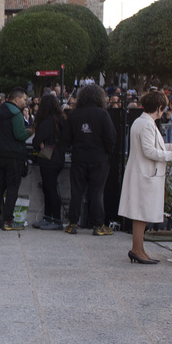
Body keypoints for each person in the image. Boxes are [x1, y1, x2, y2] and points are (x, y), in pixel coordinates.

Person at [118, 91, 172, 264]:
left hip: (145, 173)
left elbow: (154, 146)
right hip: (145, 174)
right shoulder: (146, 124)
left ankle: (140, 249)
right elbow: (150, 151)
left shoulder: (145, 122)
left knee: (141, 214)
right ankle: (137, 249)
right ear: (159, 108)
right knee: (141, 213)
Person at [60, 84, 117, 236]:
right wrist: (106, 152)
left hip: (79, 158)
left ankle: (73, 223)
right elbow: (111, 138)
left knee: (76, 191)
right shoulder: (103, 114)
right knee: (97, 192)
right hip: (99, 158)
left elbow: (66, 138)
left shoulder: (74, 114)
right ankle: (98, 225)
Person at [0, 87, 31, 230]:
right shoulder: (16, 114)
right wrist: (30, 132)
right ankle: (7, 221)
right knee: (12, 188)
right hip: (13, 156)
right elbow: (19, 135)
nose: (25, 102)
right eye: (24, 99)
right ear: (17, 99)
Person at [31, 94, 67, 230]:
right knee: (50, 187)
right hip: (59, 156)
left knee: (49, 189)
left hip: (48, 157)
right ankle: (50, 218)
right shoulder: (61, 119)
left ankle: (54, 218)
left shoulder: (46, 122)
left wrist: (40, 144)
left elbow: (35, 141)